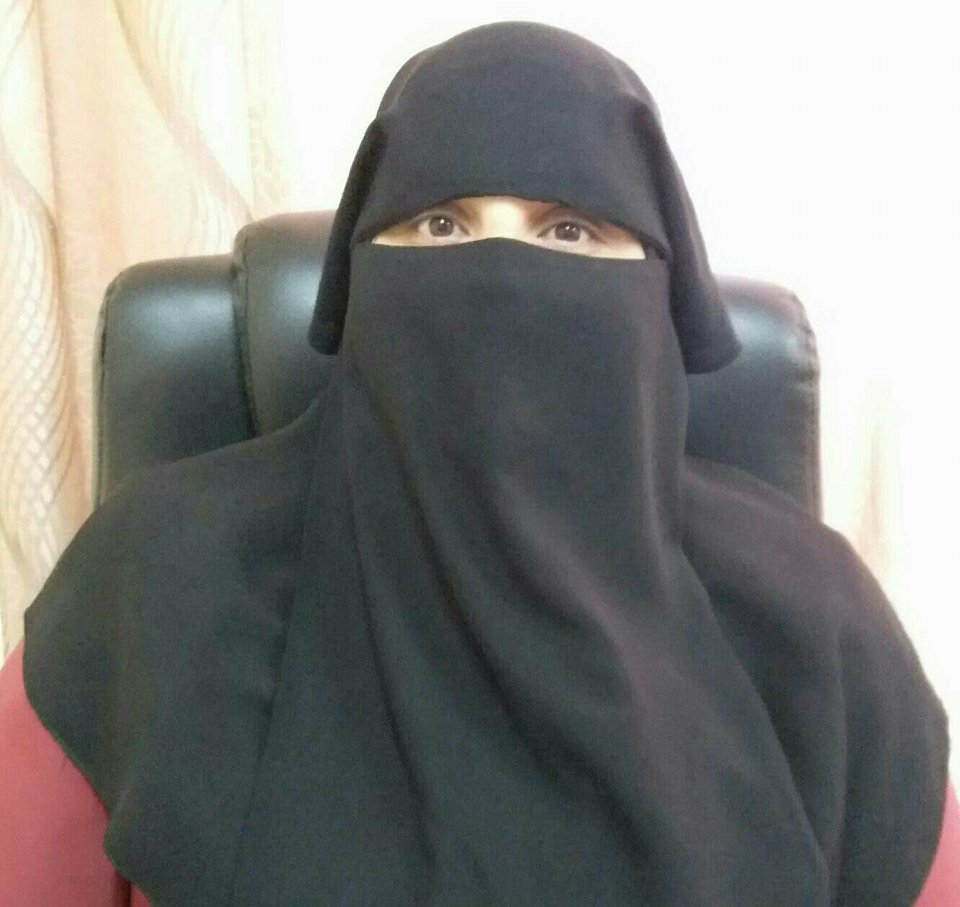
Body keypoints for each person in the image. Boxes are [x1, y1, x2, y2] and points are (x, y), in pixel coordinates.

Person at [0, 20, 955, 906]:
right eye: (441, 226)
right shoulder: (151, 578)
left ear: (658, 288)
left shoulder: (819, 619)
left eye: (569, 230)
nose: (500, 279)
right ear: (361, 274)